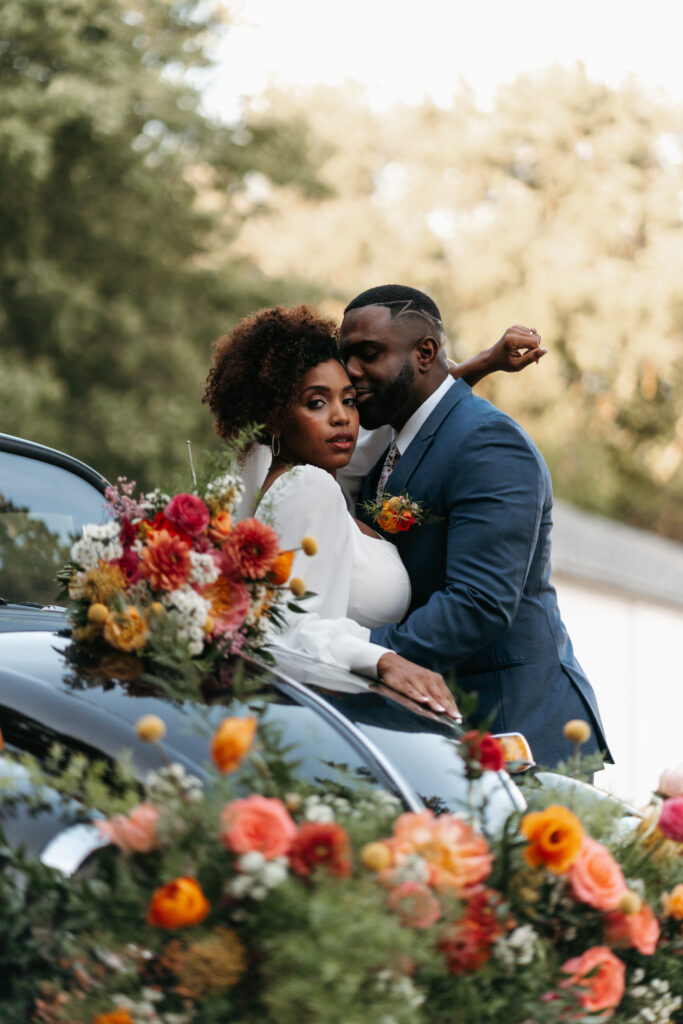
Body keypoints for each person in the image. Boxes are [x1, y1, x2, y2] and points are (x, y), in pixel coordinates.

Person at [202, 304, 542, 722]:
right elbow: (292, 633)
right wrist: (379, 659)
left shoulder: (323, 478)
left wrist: (483, 363)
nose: (343, 417)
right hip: (338, 711)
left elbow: (419, 406)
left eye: (348, 400)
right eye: (316, 402)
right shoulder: (311, 488)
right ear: (274, 417)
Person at [338, 284, 611, 769]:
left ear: (425, 352)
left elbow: (479, 602)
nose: (351, 371)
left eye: (369, 354)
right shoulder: (390, 442)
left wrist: (359, 656)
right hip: (437, 730)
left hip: (516, 728)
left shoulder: (488, 442)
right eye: (346, 356)